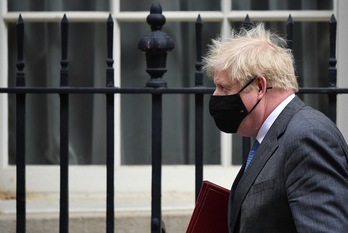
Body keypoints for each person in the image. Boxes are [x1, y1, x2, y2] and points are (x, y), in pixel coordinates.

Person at [203, 23, 348, 233]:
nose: (215, 96)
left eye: (224, 88)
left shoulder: (307, 137)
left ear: (260, 86)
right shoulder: (274, 135)